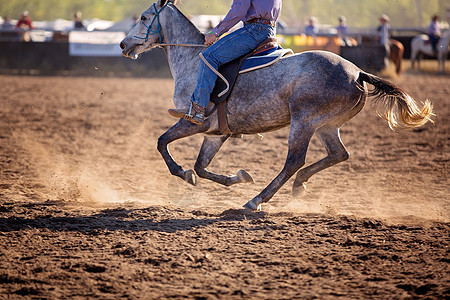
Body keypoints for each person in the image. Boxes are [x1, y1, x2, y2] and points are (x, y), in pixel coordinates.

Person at [168, 0, 282, 125]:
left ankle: (198, 108)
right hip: (270, 30)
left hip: (254, 30)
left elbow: (238, 10)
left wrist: (215, 33)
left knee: (209, 56)